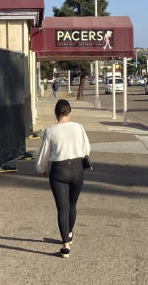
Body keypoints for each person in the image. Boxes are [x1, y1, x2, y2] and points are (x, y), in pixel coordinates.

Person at [35, 99, 91, 258]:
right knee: (72, 204)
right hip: (76, 169)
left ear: (56, 113)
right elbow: (87, 148)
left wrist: (42, 169)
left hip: (58, 171)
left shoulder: (50, 131)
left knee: (62, 208)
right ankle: (70, 233)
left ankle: (65, 245)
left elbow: (44, 154)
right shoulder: (79, 127)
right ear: (69, 112)